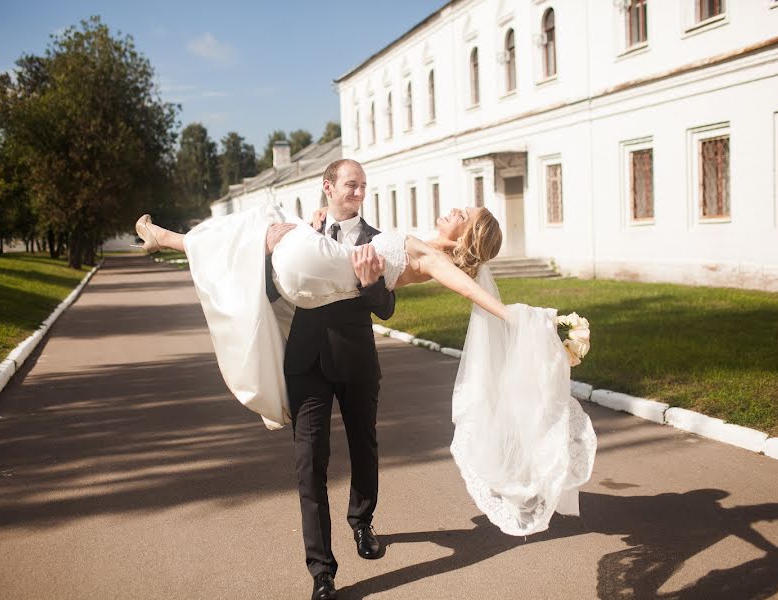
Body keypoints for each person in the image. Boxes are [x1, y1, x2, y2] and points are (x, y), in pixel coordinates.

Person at [135, 160, 596, 599]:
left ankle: (362, 522)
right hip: (307, 359)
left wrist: (517, 318)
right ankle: (322, 571)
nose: (358, 192)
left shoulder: (405, 248)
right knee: (308, 464)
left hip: (355, 360)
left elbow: (408, 300)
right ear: (329, 187)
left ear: (468, 235)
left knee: (364, 449)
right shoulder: (326, 228)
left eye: (463, 214)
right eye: (350, 185)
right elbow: (280, 286)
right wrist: (294, 246)